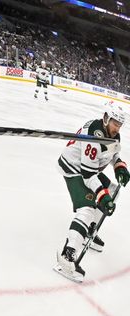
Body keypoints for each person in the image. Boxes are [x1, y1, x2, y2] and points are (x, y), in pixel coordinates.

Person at [54, 100, 127, 282]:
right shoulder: (93, 137)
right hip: (74, 169)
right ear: (105, 118)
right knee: (86, 208)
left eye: (119, 124)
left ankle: (88, 231)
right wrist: (102, 198)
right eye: (114, 123)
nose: (117, 128)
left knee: (113, 191)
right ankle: (67, 255)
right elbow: (87, 175)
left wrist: (119, 166)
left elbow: (113, 152)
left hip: (89, 169)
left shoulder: (113, 135)